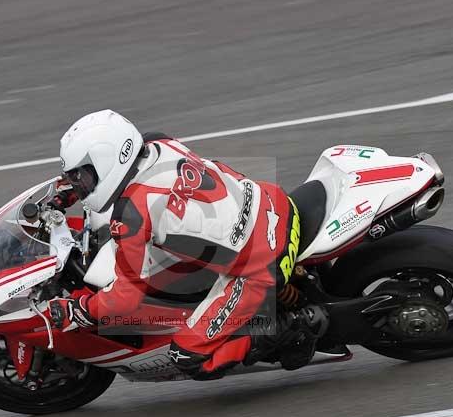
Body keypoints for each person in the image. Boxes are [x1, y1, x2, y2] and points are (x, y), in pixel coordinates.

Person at [48, 109, 326, 380]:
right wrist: (71, 192)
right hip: (271, 202)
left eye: (83, 177)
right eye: (76, 178)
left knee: (187, 356)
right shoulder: (157, 143)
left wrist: (80, 310)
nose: (81, 185)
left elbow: (125, 298)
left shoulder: (130, 217)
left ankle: (291, 327)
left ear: (107, 162)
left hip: (262, 264)